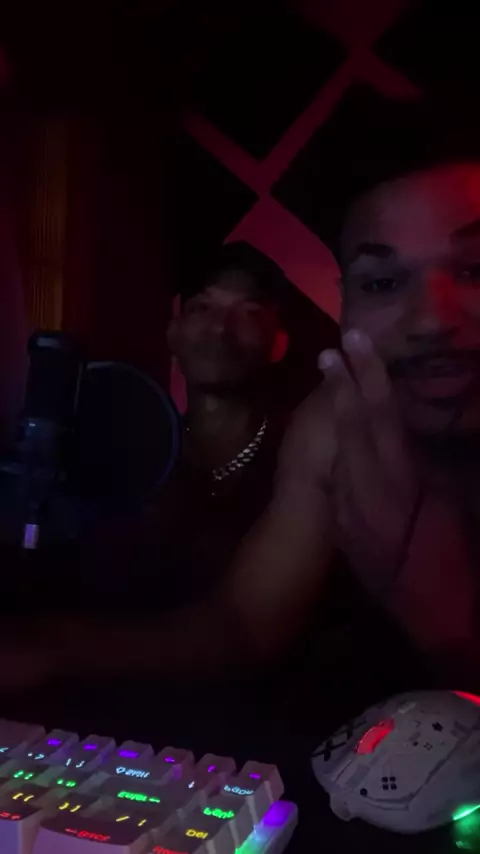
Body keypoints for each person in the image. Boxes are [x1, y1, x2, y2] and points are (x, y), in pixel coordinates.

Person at [4, 158, 480, 713]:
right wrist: (51, 646)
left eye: (473, 269)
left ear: (278, 342)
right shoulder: (326, 429)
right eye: (382, 282)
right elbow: (243, 624)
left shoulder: (295, 436)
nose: (430, 320)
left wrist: (443, 611)